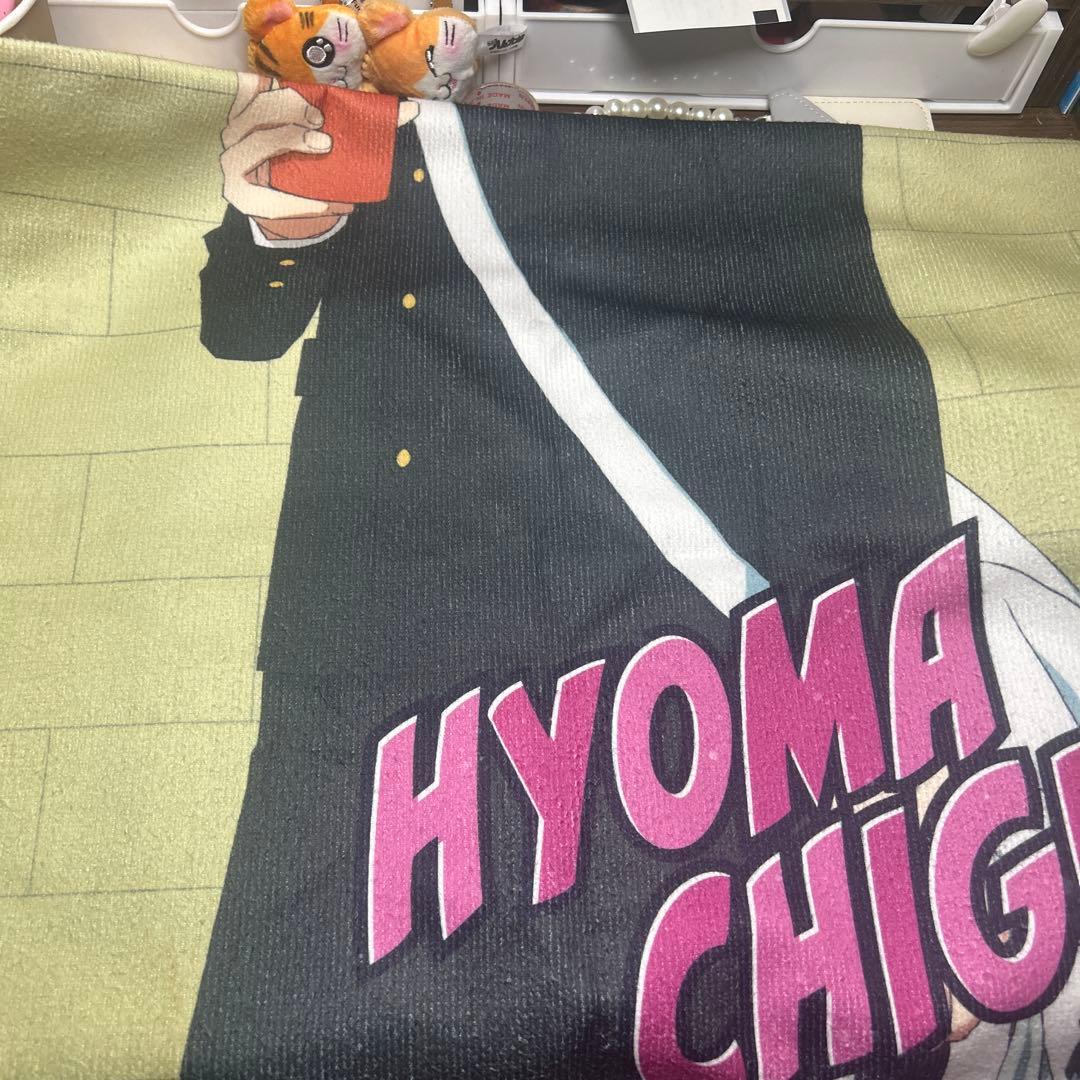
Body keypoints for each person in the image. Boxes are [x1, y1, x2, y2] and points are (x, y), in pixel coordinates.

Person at [183, 76, 956, 1079]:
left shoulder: (693, 187)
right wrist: (282, 224)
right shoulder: (364, 125)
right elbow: (241, 326)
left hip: (638, 597)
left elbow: (829, 385)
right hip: (381, 602)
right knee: (315, 981)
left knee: (672, 962)